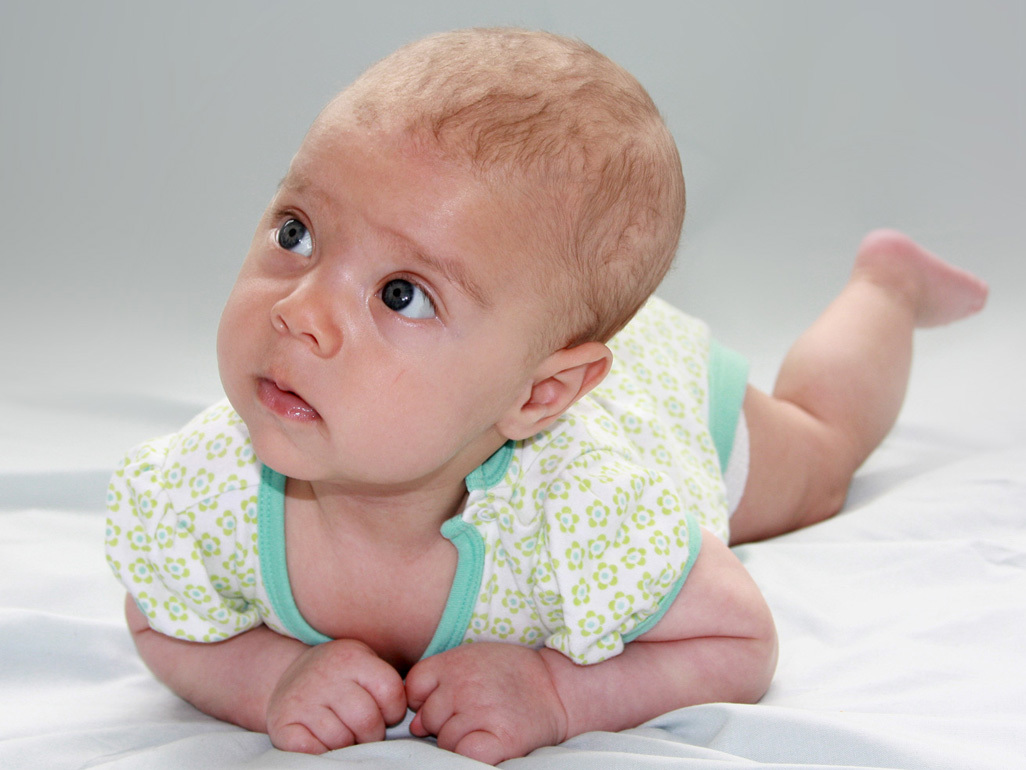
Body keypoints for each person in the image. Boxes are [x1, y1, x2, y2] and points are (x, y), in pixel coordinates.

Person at [104, 27, 988, 764]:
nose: (301, 314)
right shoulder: (208, 486)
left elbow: (740, 641)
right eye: (297, 232)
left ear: (540, 393)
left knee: (819, 460)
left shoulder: (590, 508)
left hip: (647, 402)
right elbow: (162, 616)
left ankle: (886, 289)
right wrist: (271, 683)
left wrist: (561, 694)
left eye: (401, 294)